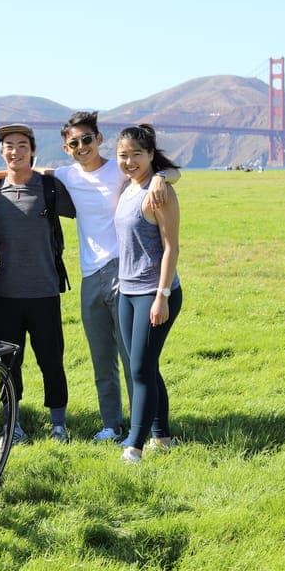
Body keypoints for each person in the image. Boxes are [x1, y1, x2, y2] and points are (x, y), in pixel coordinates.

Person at [0, 111, 179, 443]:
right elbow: (29, 170)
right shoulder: (68, 175)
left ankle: (144, 428)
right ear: (66, 147)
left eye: (87, 139)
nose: (82, 146)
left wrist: (162, 177)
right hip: (90, 274)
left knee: (135, 359)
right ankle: (111, 424)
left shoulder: (121, 167)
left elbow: (164, 169)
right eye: (74, 142)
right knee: (102, 358)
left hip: (126, 271)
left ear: (99, 139)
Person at [0, 124, 75, 444]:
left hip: (44, 292)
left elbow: (87, 203)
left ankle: (58, 424)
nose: (15, 151)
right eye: (9, 145)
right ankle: (14, 423)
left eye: (22, 145)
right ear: (0, 151)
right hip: (5, 294)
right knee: (9, 363)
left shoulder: (49, 187)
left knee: (51, 359)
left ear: (32, 150)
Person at [114, 124, 182, 463]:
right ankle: (163, 437)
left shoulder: (160, 192)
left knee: (140, 370)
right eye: (123, 155)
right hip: (126, 291)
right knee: (145, 366)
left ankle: (134, 447)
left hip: (153, 294)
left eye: (137, 155)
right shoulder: (128, 188)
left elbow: (171, 247)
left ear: (151, 155)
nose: (129, 161)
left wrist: (162, 295)